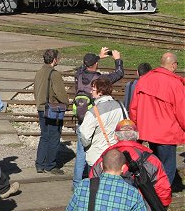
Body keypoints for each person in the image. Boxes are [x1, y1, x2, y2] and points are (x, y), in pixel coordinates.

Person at [130, 52, 185, 185]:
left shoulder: (144, 79)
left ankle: (152, 192)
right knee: (167, 167)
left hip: (147, 132)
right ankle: (161, 198)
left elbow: (134, 107)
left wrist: (136, 127)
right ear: (173, 65)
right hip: (167, 133)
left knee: (154, 163)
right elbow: (182, 111)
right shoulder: (175, 83)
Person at [73, 47, 124, 189]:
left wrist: (97, 57)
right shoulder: (100, 80)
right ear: (95, 64)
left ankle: (77, 184)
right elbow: (119, 73)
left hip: (81, 118)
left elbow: (82, 67)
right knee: (96, 153)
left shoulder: (78, 75)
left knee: (81, 154)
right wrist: (117, 59)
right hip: (96, 117)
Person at [34, 49, 70, 174]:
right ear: (54, 59)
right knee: (54, 136)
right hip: (52, 110)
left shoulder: (38, 72)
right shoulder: (55, 74)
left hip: (41, 108)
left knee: (44, 136)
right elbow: (60, 93)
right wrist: (67, 103)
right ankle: (50, 165)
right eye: (57, 58)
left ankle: (39, 164)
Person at [80, 77, 128, 169]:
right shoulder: (120, 106)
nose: (91, 92)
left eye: (93, 89)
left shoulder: (92, 112)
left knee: (96, 182)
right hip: (117, 155)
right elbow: (126, 127)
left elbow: (85, 136)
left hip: (97, 157)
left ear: (100, 92)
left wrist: (87, 146)